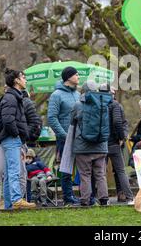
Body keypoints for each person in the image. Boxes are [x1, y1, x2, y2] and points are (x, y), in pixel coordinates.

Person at [0, 69, 35, 209]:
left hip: (10, 139)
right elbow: (8, 120)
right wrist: (16, 134)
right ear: (16, 81)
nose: (25, 79)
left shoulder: (13, 96)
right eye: (23, 77)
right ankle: (17, 200)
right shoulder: (11, 97)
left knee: (9, 173)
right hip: (11, 139)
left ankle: (9, 205)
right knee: (14, 170)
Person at [71, 81, 110, 206]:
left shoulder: (78, 105)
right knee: (100, 174)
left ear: (83, 91)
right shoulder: (104, 104)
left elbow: (72, 122)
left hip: (83, 148)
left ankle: (85, 200)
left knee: (85, 175)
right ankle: (104, 198)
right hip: (101, 146)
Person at [47, 66, 81, 206]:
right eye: (76, 74)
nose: (78, 77)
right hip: (65, 138)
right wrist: (64, 135)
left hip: (80, 138)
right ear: (68, 77)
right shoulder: (56, 95)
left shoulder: (78, 94)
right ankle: (68, 197)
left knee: (83, 168)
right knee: (66, 169)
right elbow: (52, 118)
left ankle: (85, 195)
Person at [99, 84, 134, 204]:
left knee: (100, 172)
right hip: (114, 143)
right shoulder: (115, 105)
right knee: (120, 171)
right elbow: (118, 122)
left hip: (101, 144)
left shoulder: (97, 105)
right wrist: (121, 137)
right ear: (110, 93)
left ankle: (102, 199)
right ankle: (130, 198)